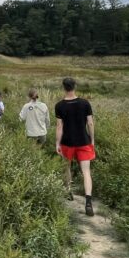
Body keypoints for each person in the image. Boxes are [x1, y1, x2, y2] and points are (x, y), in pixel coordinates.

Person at [55, 77, 96, 216]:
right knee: (86, 172)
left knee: (67, 167)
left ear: (64, 87)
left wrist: (57, 143)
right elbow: (90, 123)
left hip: (67, 142)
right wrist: (92, 139)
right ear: (75, 86)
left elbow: (59, 126)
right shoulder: (85, 103)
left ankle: (68, 192)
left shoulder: (59, 105)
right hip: (84, 141)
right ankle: (88, 202)